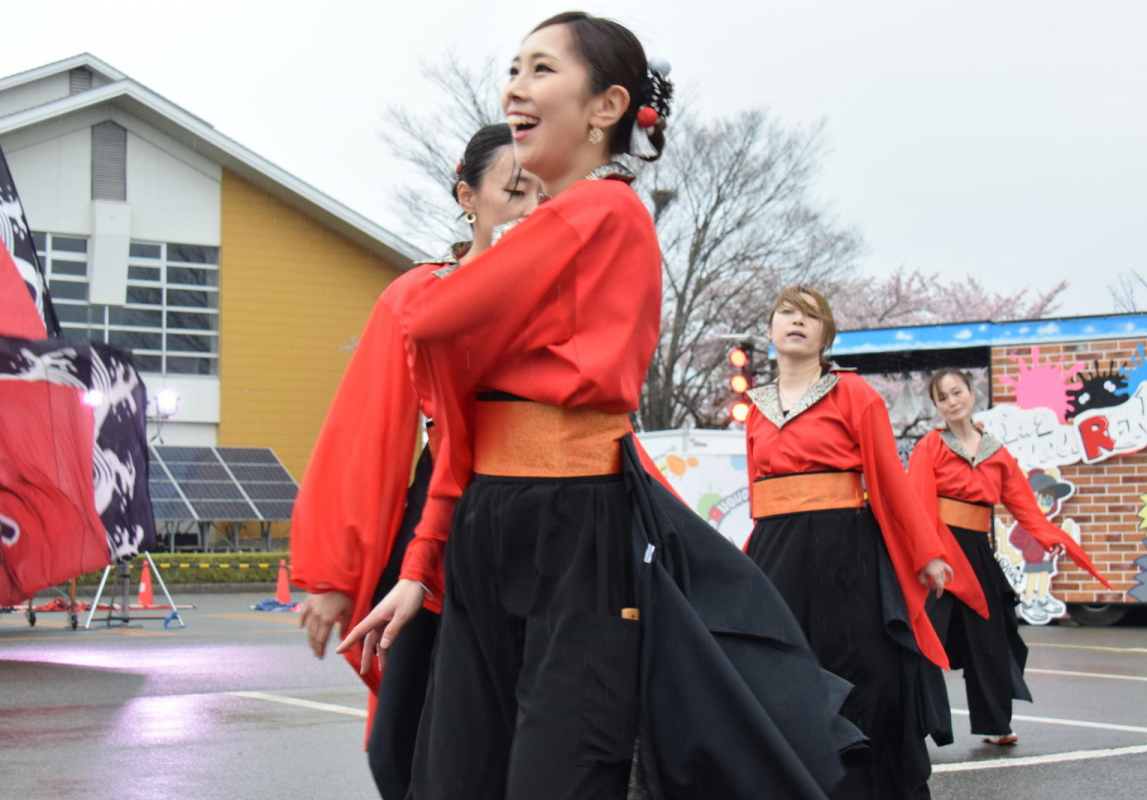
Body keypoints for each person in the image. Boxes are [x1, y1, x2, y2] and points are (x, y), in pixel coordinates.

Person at [339, 13, 862, 800]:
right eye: (513, 68)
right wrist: (419, 568)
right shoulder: (543, 234)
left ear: (607, 106)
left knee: (561, 772)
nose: (515, 88)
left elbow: (430, 316)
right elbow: (460, 439)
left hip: (573, 521)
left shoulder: (604, 211)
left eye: (542, 69)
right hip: (488, 517)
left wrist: (450, 279)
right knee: (452, 777)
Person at [289, 123, 539, 798]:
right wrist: (334, 572)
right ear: (468, 198)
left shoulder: (564, 297)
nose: (531, 209)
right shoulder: (418, 294)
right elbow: (365, 431)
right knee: (401, 744)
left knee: (528, 744)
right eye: (515, 191)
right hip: (439, 521)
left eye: (547, 196)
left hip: (546, 515)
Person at [741, 285, 972, 800]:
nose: (797, 321)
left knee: (860, 671)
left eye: (810, 316)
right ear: (770, 329)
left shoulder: (854, 393)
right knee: (780, 669)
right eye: (786, 313)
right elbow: (758, 495)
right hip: (776, 551)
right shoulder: (755, 407)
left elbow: (889, 478)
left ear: (826, 334)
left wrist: (927, 553)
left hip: (845, 550)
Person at [908, 368, 1111, 745]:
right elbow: (918, 507)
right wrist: (929, 557)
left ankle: (995, 724)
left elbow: (1023, 504)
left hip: (978, 552)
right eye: (942, 398)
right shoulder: (930, 446)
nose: (952, 402)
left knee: (992, 640)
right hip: (937, 553)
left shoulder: (996, 452)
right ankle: (911, 729)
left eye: (957, 392)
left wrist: (1047, 537)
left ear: (972, 394)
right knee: (922, 639)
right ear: (936, 406)